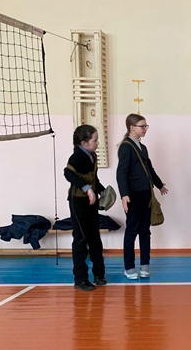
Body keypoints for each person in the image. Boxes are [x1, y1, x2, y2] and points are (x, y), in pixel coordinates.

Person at [116, 113, 169, 280]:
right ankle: (129, 267)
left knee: (145, 231)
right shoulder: (125, 147)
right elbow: (121, 173)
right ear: (132, 128)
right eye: (142, 126)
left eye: (146, 126)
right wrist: (124, 195)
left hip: (146, 194)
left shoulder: (142, 147)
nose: (145, 129)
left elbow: (149, 169)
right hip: (133, 196)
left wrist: (159, 185)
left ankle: (145, 266)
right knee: (132, 231)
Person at [64, 125, 106, 291]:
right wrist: (87, 188)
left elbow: (93, 178)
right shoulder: (76, 157)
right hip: (78, 202)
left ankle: (99, 274)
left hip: (91, 202)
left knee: (95, 237)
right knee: (81, 239)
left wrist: (101, 190)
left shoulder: (92, 156)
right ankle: (80, 278)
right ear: (83, 142)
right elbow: (68, 174)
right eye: (95, 140)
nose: (98, 143)